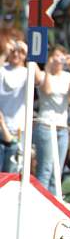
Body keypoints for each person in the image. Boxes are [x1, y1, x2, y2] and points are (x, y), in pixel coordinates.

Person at [33, 45, 70, 194]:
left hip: (62, 128)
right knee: (45, 169)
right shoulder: (42, 74)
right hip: (45, 125)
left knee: (56, 172)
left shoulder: (67, 76)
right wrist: (48, 68)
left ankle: (53, 205)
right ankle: (40, 204)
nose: (59, 61)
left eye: (62, 57)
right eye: (56, 57)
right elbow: (46, 90)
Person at [0, 40, 40, 172]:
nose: (16, 54)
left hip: (18, 128)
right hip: (1, 126)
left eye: (20, 52)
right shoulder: (3, 69)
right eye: (13, 51)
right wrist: (5, 53)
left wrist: (30, 55)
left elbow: (39, 80)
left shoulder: (26, 72)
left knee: (12, 170)